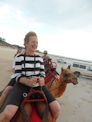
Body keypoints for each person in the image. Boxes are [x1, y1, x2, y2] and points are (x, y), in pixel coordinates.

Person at [0, 31, 61, 122]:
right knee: (7, 114)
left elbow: (42, 73)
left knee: (57, 108)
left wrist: (41, 79)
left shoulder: (39, 58)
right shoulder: (19, 57)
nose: (35, 44)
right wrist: (26, 81)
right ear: (26, 43)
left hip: (38, 87)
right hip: (22, 86)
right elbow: (17, 75)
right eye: (33, 42)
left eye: (36, 42)